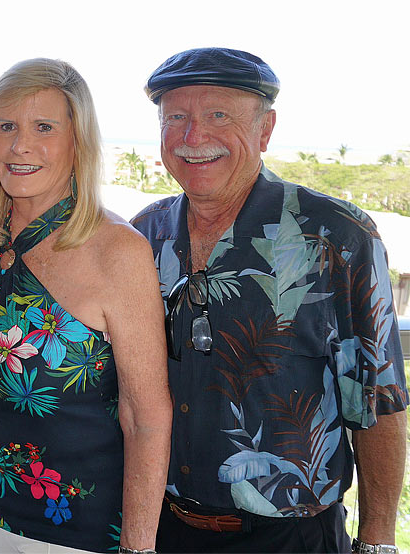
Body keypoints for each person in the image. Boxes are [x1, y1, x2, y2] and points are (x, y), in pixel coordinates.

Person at [131, 47, 408, 554]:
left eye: (218, 116)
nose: (195, 138)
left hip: (291, 537)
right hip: (160, 529)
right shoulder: (142, 237)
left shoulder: (337, 238)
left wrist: (377, 543)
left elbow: (378, 404)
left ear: (265, 129)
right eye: (177, 118)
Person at [0, 58, 171, 554]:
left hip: (80, 534)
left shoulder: (118, 252)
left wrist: (139, 548)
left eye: (43, 127)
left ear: (78, 141)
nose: (19, 145)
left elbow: (147, 417)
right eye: (5, 126)